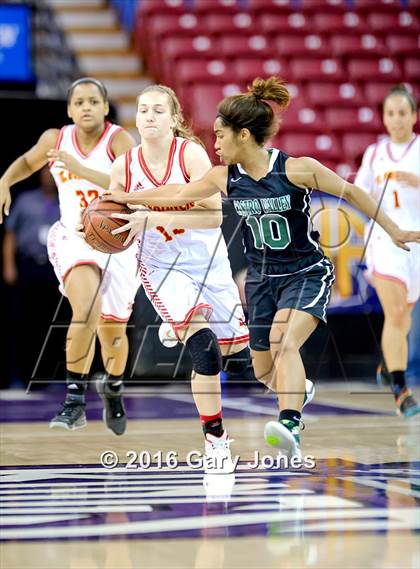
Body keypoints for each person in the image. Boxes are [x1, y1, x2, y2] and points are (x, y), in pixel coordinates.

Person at [105, 76, 420, 460]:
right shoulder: (224, 177)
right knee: (263, 371)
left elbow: (352, 191)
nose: (214, 144)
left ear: (243, 135)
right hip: (261, 280)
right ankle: (296, 390)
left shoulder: (295, 169)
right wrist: (126, 197)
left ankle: (289, 424)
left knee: (284, 342)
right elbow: (177, 194)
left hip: (305, 272)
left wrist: (394, 229)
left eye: (220, 136)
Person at [107, 84, 251, 474]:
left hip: (207, 259)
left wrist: (151, 216)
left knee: (237, 355)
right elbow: (110, 222)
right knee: (204, 348)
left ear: (174, 119)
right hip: (162, 264)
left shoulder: (189, 155)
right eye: (141, 110)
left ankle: (178, 324)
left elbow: (213, 216)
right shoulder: (124, 167)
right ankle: (216, 439)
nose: (148, 117)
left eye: (157, 110)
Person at [0, 77, 139, 435]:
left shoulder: (119, 139)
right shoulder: (55, 139)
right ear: (69, 110)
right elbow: (28, 163)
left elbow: (130, 186)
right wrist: (4, 180)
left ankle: (113, 387)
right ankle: (75, 401)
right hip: (75, 237)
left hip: (118, 242)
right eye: (79, 102)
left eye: (94, 101)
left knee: (113, 333)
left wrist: (78, 169)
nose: (87, 107)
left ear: (106, 108)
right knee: (86, 309)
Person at [355, 84, 420, 417]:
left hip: (417, 245)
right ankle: (400, 388)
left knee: (403, 320)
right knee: (395, 315)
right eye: (390, 113)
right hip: (385, 241)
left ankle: (387, 362)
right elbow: (360, 193)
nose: (396, 119)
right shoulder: (375, 153)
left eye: (402, 113)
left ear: (414, 115)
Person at [2, 166, 60, 387]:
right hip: (28, 266)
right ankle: (19, 376)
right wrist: (9, 266)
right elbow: (10, 232)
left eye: (53, 172)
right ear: (39, 175)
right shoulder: (26, 200)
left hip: (55, 268)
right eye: (45, 172)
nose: (49, 176)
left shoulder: (66, 200)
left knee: (54, 323)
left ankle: (51, 376)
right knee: (23, 322)